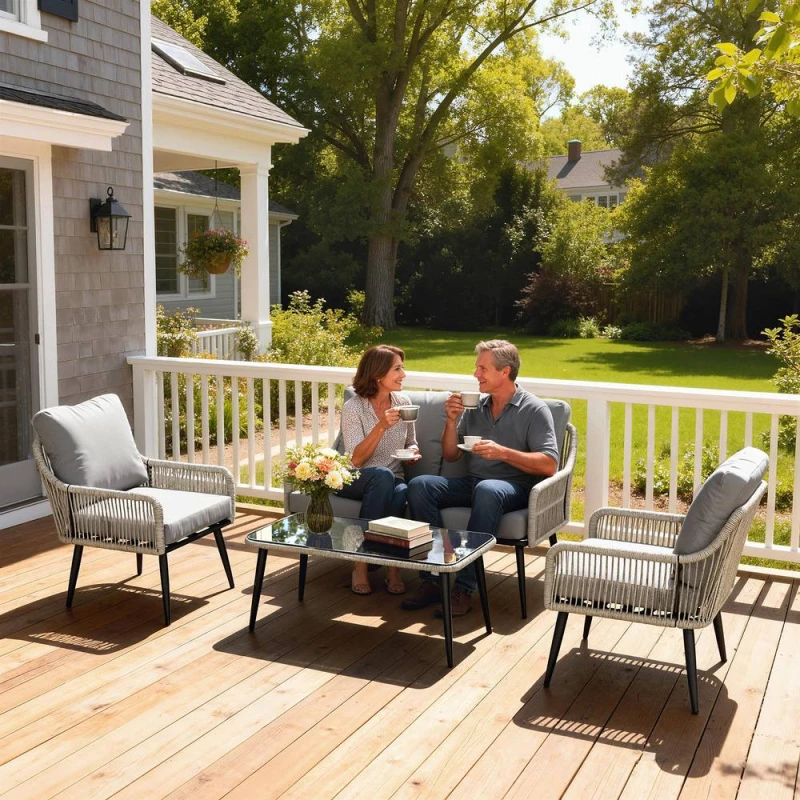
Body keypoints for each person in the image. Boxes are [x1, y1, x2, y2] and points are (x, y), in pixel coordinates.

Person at [403, 339, 558, 617]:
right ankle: (433, 577)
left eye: (483, 369)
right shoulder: (477, 406)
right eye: (477, 368)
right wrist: (451, 420)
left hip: (516, 486)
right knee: (420, 485)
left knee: (488, 489)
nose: (476, 374)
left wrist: (503, 453)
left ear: (505, 372)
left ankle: (464, 588)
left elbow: (549, 465)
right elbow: (451, 455)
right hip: (475, 483)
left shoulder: (534, 409)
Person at [338, 344, 420, 595]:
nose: (403, 374)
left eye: (402, 368)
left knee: (401, 491)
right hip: (356, 477)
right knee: (383, 476)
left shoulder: (403, 402)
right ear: (377, 374)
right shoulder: (354, 407)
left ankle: (392, 568)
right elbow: (356, 460)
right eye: (397, 369)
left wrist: (413, 452)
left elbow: (411, 441)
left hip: (393, 477)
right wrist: (381, 426)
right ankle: (360, 564)